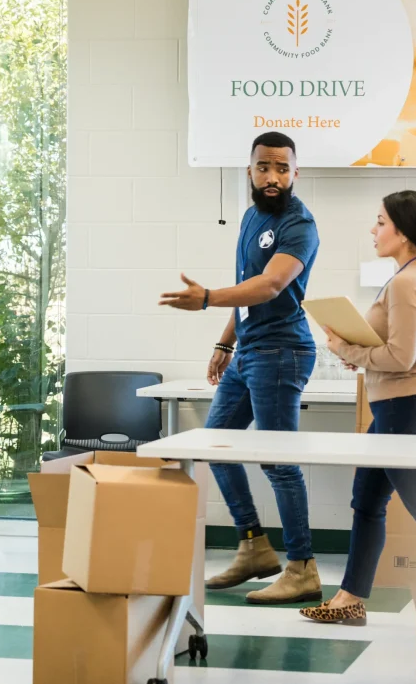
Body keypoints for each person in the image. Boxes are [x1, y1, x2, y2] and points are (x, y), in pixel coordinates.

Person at [299, 190, 416, 626]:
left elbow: (400, 358)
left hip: (408, 406)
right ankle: (349, 599)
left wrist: (347, 348)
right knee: (367, 499)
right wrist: (356, 351)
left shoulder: (405, 281)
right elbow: (399, 352)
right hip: (400, 405)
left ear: (402, 230)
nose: (373, 230)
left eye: (380, 222)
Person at [159, 131, 321, 605]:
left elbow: (270, 286)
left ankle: (303, 566)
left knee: (277, 459)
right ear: (249, 170)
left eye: (282, 169)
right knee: (216, 446)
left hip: (282, 351)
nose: (273, 177)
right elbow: (246, 287)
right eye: (264, 167)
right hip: (249, 350)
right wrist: (225, 342)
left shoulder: (300, 224)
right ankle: (253, 546)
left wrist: (207, 299)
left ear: (295, 172)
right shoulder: (250, 216)